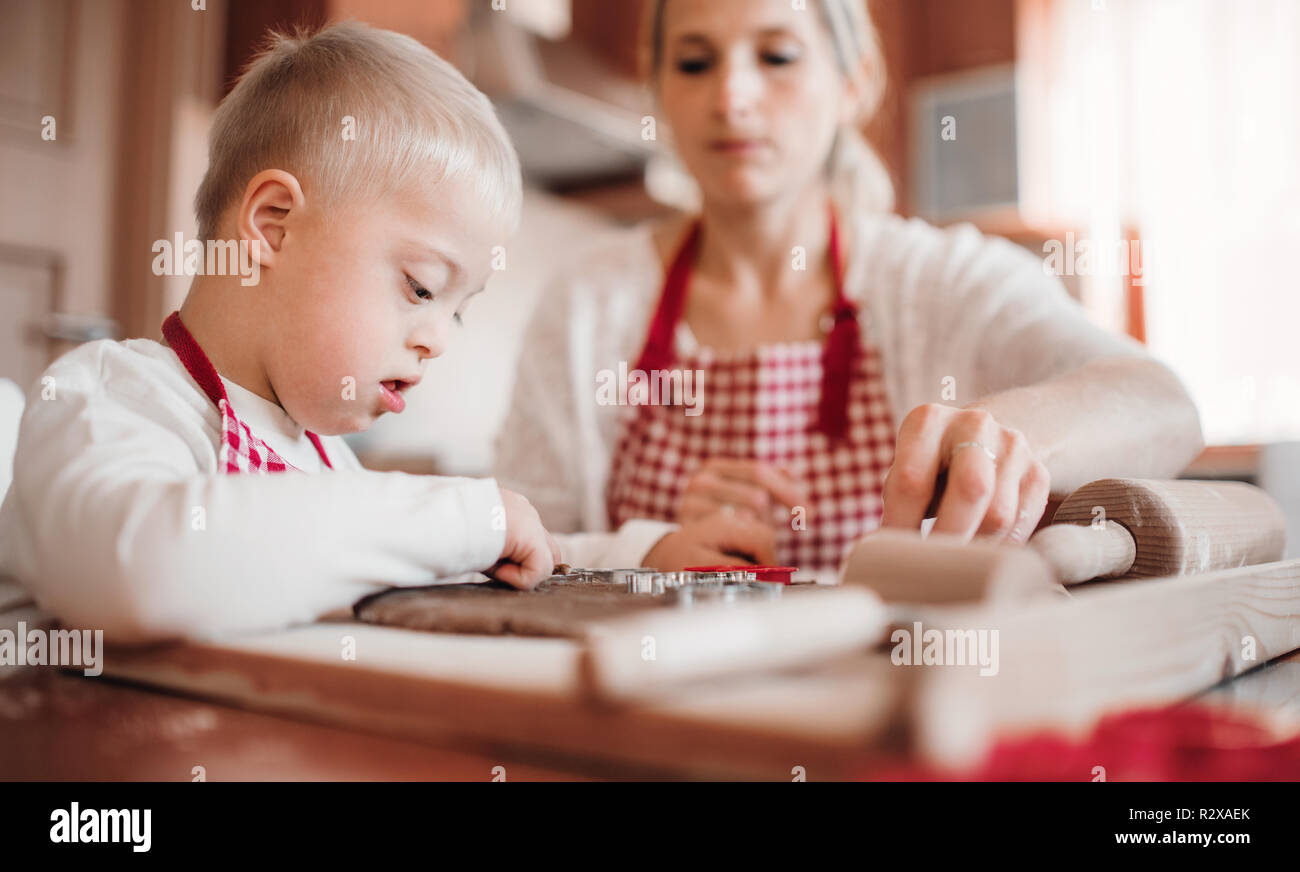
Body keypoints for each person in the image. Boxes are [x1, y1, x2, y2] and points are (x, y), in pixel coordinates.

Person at [495, 0, 1204, 578]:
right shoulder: (587, 302)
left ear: (855, 82)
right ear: (659, 88)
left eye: (776, 56)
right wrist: (647, 549)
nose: (732, 96)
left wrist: (1013, 433)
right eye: (694, 62)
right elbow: (521, 544)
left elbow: (1165, 406)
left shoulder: (939, 280)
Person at [0, 22, 560, 644]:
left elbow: (493, 543)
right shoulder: (109, 395)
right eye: (422, 287)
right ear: (273, 226)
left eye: (456, 310)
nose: (439, 340)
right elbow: (142, 573)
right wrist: (459, 519)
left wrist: (643, 552)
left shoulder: (324, 464)